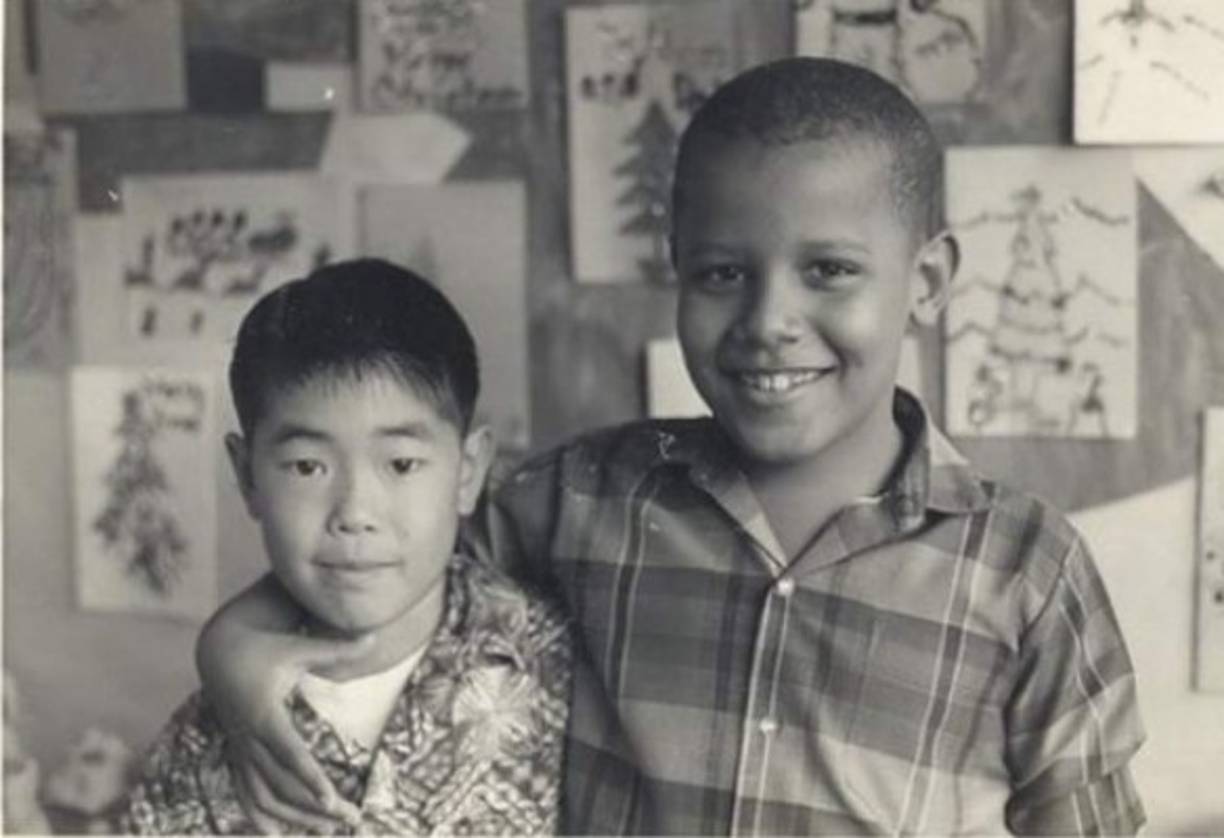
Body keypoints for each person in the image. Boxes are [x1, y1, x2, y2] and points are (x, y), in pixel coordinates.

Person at [194, 59, 1145, 835]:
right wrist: (230, 654)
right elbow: (381, 554)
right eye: (723, 272)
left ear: (928, 281)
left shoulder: (1025, 569)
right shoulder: (585, 498)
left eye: (829, 271)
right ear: (676, 272)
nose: (770, 320)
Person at [121, 259, 571, 835]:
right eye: (308, 466)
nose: (355, 513)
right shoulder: (196, 751)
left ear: (468, 470)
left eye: (402, 464)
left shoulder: (563, 672)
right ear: (248, 476)